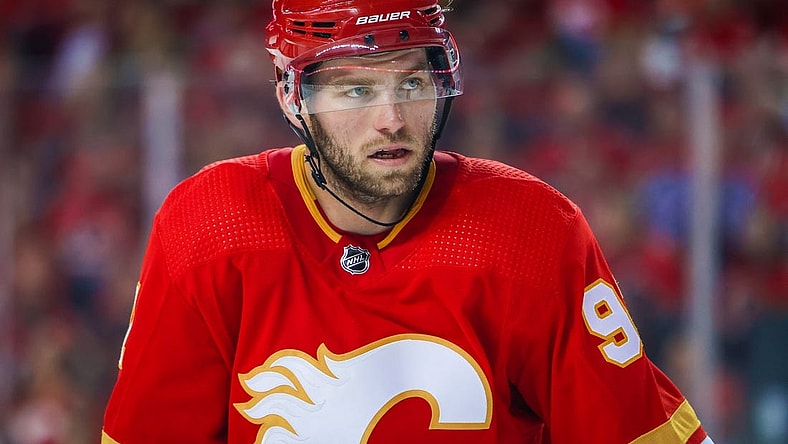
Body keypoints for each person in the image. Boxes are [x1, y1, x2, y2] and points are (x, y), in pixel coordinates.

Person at [101, 0, 715, 443]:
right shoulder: (210, 227)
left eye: (413, 82)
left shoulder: (531, 230)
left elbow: (640, 433)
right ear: (291, 96)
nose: (392, 118)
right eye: (357, 91)